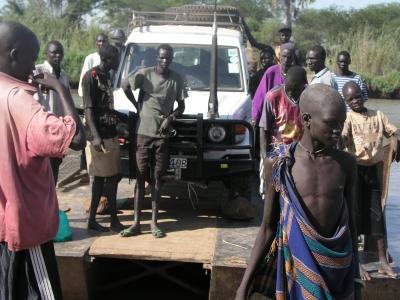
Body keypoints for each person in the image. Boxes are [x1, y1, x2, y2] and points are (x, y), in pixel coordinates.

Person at [235, 84, 362, 300]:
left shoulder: (346, 164)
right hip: (297, 267)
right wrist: (243, 287)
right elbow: (267, 227)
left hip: (338, 270)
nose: (337, 130)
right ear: (306, 119)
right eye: (331, 123)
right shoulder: (281, 164)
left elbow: (352, 225)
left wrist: (356, 276)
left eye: (341, 123)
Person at [0, 21, 86, 300]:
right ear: (14, 54)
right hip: (27, 230)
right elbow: (76, 139)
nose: (34, 65)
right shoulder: (20, 102)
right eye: (31, 57)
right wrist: (60, 89)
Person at [120, 44, 187, 238]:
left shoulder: (176, 79)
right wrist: (135, 104)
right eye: (161, 58)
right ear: (156, 58)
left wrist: (170, 118)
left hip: (162, 136)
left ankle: (154, 223)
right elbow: (125, 85)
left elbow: (181, 106)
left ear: (172, 59)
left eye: (168, 58)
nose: (164, 62)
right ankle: (135, 223)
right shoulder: (146, 74)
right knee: (140, 177)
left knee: (158, 179)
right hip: (143, 133)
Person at [341, 81, 398, 279]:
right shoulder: (348, 118)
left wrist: (395, 140)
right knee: (355, 214)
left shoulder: (378, 115)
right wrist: (344, 141)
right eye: (351, 99)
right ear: (346, 102)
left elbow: (394, 131)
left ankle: (382, 261)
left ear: (362, 95)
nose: (355, 101)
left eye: (357, 96)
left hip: (373, 170)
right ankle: (356, 262)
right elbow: (342, 138)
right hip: (355, 170)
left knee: (377, 214)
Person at [83, 44, 124, 232]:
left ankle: (113, 219)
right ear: (107, 60)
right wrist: (96, 137)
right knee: (100, 179)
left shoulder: (107, 76)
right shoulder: (90, 77)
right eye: (116, 58)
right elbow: (88, 109)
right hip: (99, 136)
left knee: (113, 178)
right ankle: (93, 219)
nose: (118, 61)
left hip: (111, 133)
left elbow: (106, 105)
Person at [258, 66, 307, 195]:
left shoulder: (309, 97)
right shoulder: (273, 96)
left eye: (294, 91)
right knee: (273, 194)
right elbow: (263, 128)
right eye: (288, 90)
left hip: (301, 155)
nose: (289, 94)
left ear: (304, 85)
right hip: (277, 154)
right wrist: (265, 157)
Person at [35, 40, 71, 183]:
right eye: (53, 52)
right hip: (42, 132)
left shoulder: (63, 76)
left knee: (54, 172)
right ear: (46, 54)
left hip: (58, 133)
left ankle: (51, 204)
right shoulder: (38, 72)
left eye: (60, 53)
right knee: (40, 174)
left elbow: (66, 103)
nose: (57, 56)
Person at [252, 43, 295, 127]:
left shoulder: (297, 73)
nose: (286, 60)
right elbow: (260, 96)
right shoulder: (271, 72)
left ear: (293, 58)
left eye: (289, 57)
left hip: (292, 120)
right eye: (284, 56)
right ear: (279, 56)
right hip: (272, 119)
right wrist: (255, 116)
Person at [78, 33, 108, 97]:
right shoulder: (90, 58)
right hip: (92, 96)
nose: (102, 43)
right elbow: (84, 78)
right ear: (96, 43)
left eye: (104, 41)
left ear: (107, 43)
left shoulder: (110, 59)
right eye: (99, 41)